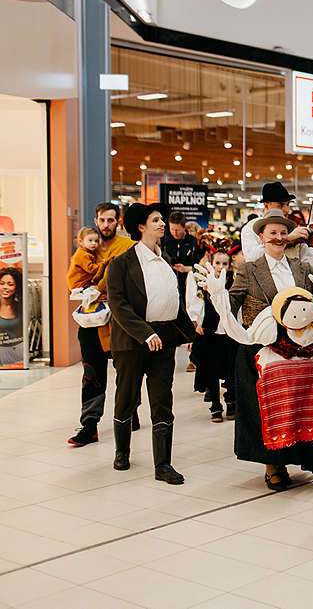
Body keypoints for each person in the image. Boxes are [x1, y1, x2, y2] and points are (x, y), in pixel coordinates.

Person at [228, 209, 313, 490]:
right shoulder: (250, 269)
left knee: (296, 406)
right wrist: (224, 316)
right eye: (273, 233)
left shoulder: (302, 269)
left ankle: (297, 455)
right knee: (268, 409)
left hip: (299, 348)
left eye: (283, 232)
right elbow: (233, 300)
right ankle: (273, 464)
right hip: (264, 348)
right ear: (261, 237)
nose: (279, 237)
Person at [106, 203, 196, 484]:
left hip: (164, 340)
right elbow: (118, 305)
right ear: (141, 227)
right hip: (132, 341)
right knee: (127, 396)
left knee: (162, 400)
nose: (162, 224)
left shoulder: (164, 258)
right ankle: (122, 451)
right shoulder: (121, 263)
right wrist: (144, 333)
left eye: (162, 220)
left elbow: (171, 298)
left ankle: (163, 465)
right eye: (156, 220)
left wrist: (187, 333)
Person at [67, 203, 137, 446]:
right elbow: (73, 280)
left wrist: (114, 293)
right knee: (92, 373)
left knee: (126, 373)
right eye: (102, 220)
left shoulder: (128, 247)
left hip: (121, 323)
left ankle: (130, 411)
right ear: (95, 220)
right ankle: (90, 424)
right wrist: (89, 291)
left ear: (118, 221)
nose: (106, 224)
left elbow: (137, 283)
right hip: (92, 323)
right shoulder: (86, 249)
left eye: (111, 220)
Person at [241, 181, 313, 267]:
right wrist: (287, 238)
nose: (287, 210)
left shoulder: (294, 228)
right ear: (266, 204)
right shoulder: (250, 228)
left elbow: (310, 266)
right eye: (280, 205)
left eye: (288, 204)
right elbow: (251, 258)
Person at [186, 249, 237, 422]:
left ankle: (231, 402)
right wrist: (196, 322)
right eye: (217, 263)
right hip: (209, 331)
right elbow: (194, 300)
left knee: (231, 370)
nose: (220, 267)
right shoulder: (202, 281)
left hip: (229, 333)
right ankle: (215, 405)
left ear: (229, 267)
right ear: (211, 264)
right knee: (211, 370)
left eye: (224, 264)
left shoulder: (234, 282)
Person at [161, 211, 200, 294]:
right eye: (172, 229)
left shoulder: (193, 242)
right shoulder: (165, 243)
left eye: (177, 230)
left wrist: (186, 269)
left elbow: (200, 266)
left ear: (184, 227)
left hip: (189, 286)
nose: (174, 233)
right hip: (169, 285)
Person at [0, 267, 24, 367]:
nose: (5, 287)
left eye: (10, 284)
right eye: (1, 284)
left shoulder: (21, 306)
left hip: (19, 353)